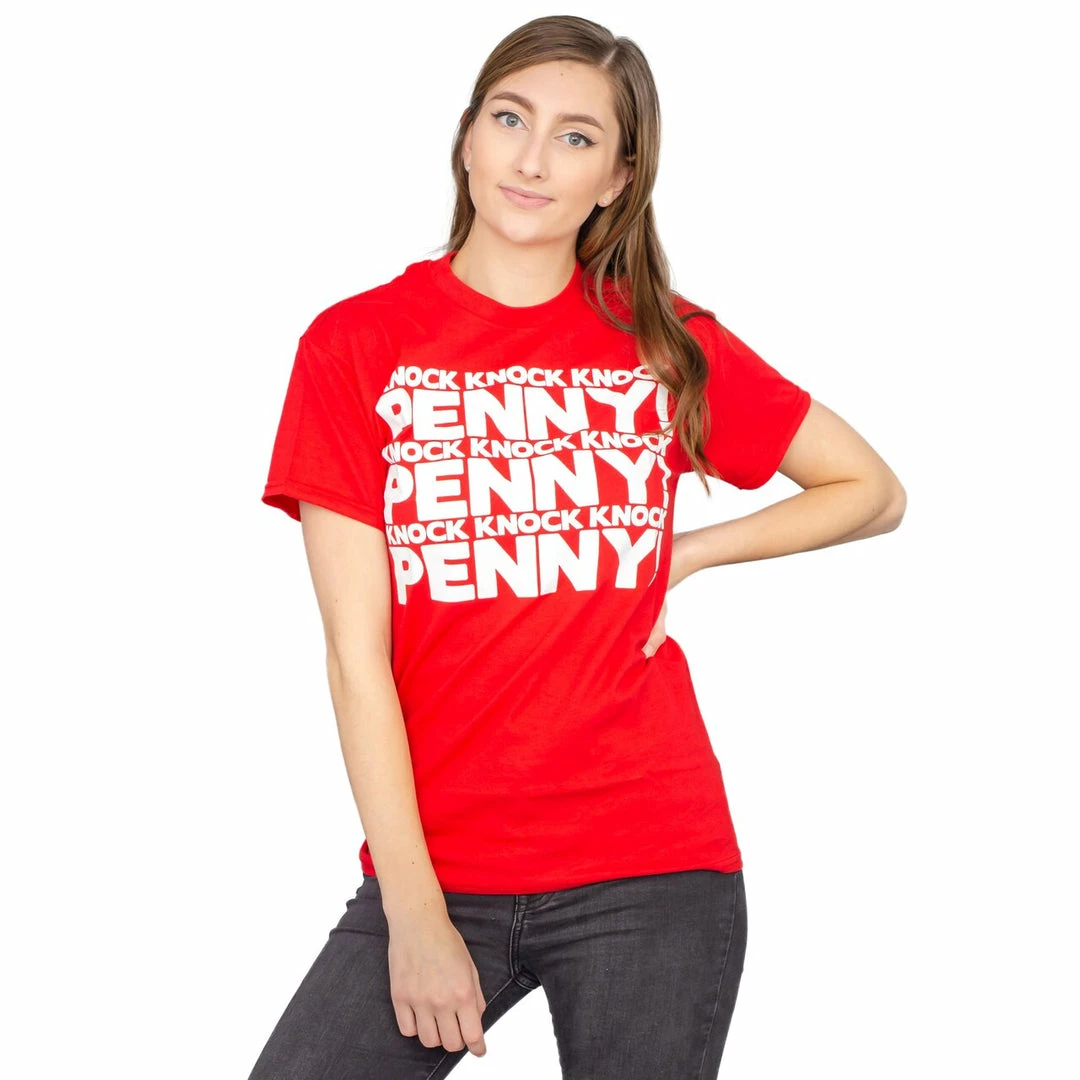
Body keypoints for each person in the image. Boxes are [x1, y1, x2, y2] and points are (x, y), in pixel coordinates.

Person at [246, 15, 905, 1080]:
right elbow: (355, 655)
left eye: (577, 137)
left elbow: (870, 491)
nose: (533, 159)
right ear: (468, 137)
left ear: (616, 179)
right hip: (439, 863)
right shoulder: (357, 345)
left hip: (652, 862)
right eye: (511, 119)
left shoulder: (661, 341)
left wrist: (687, 552)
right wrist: (413, 911)